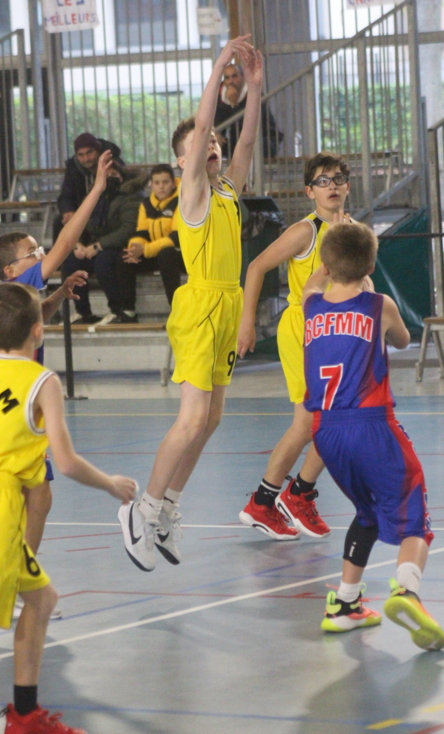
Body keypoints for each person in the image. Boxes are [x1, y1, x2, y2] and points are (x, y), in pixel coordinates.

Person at [0, 282, 137, 733]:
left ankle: (25, 717)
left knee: (42, 600)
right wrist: (110, 484)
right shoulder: (43, 381)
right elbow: (65, 462)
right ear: (39, 331)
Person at [118, 35, 263, 572]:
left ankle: (167, 509)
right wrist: (220, 64)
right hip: (200, 306)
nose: (214, 145)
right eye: (203, 145)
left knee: (212, 419)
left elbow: (246, 141)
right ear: (185, 162)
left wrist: (254, 88)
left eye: (217, 142)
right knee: (192, 417)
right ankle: (141, 510)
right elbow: (203, 128)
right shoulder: (194, 192)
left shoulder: (227, 190)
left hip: (226, 306)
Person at [302, 222, 443, 650]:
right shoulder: (379, 304)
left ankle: (345, 605)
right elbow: (402, 340)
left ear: (327, 266)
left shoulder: (310, 305)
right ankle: (407, 590)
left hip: (325, 432)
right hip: (371, 425)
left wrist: (329, 265)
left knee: (367, 513)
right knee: (414, 512)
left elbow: (312, 284)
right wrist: (369, 286)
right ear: (370, 266)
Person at [237, 152, 352, 542]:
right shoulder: (307, 231)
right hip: (303, 331)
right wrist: (247, 322)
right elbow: (256, 267)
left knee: (337, 421)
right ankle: (284, 497)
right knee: (309, 424)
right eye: (323, 181)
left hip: (336, 335)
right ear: (309, 191)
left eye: (338, 179)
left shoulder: (353, 230)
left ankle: (279, 497)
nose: (332, 186)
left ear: (347, 185)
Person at [53, 133, 126, 324]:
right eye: (81, 155)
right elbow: (65, 196)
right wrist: (69, 213)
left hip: (107, 227)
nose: (86, 159)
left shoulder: (112, 163)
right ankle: (82, 312)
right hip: (87, 220)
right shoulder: (73, 169)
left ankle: (118, 311)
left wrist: (96, 245)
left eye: (89, 153)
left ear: (98, 151)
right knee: (62, 232)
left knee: (104, 260)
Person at [116, 163, 186, 318]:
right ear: (151, 185)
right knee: (124, 257)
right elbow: (141, 231)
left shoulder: (182, 201)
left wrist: (145, 250)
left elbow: (176, 238)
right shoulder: (146, 204)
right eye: (157, 182)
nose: (161, 186)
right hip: (155, 252)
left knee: (166, 254)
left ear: (173, 183)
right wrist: (135, 248)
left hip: (180, 254)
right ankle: (127, 310)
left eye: (165, 182)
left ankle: (176, 310)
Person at [214, 62, 283, 159]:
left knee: (250, 144)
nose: (231, 81)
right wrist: (218, 135)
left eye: (234, 76)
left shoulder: (254, 94)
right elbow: (218, 123)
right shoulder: (220, 96)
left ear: (243, 77)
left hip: (263, 139)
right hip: (238, 141)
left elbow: (249, 126)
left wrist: (234, 104)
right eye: (227, 78)